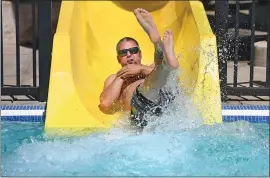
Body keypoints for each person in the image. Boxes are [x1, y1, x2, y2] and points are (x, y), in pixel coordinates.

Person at [99, 8, 179, 128]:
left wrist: (141, 69)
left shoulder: (149, 68)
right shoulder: (113, 78)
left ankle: (157, 43)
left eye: (133, 51)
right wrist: (122, 76)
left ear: (140, 54)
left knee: (159, 71)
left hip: (163, 101)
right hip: (140, 110)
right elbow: (105, 104)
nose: (129, 55)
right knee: (149, 85)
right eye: (123, 52)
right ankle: (166, 61)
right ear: (118, 59)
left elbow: (174, 79)